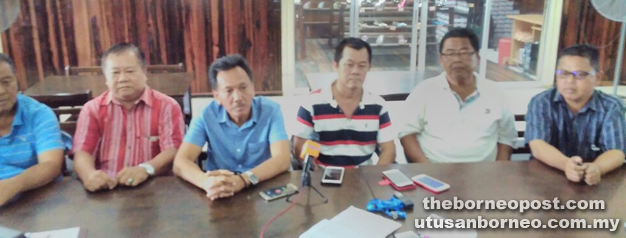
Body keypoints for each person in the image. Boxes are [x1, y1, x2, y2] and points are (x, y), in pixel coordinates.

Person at [173, 54, 290, 200]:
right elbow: (180, 162)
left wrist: (243, 180)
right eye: (229, 91)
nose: (238, 97)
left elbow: (283, 158)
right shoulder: (206, 115)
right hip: (220, 192)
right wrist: (205, 182)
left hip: (261, 188)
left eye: (243, 87)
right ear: (216, 96)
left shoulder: (270, 111)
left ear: (253, 88)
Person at [73, 43, 185, 192]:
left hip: (155, 187)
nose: (122, 79)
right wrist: (89, 175)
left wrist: (145, 169)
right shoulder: (92, 109)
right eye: (115, 73)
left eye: (130, 71)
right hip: (108, 189)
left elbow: (173, 150)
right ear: (106, 77)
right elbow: (83, 151)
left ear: (144, 72)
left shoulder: (167, 106)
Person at [398, 28, 517, 163]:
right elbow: (406, 133)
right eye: (450, 53)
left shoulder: (494, 92)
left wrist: (498, 170)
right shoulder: (424, 90)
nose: (457, 59)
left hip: (484, 174)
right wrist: (426, 168)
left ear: (477, 57)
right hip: (435, 171)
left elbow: (507, 137)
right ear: (441, 59)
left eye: (464, 53)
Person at [0, 50, 64, 211]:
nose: (0, 91)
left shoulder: (38, 113)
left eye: (7, 81)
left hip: (35, 198)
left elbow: (51, 165)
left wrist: (12, 185)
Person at [526, 44, 625, 185]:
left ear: (597, 78)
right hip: (546, 179)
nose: (569, 81)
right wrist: (567, 165)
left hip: (592, 181)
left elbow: (616, 151)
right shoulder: (542, 102)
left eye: (580, 75)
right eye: (563, 74)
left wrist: (597, 168)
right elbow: (538, 145)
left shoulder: (611, 106)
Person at [293, 37, 397, 167]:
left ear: (369, 67)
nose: (355, 71)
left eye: (362, 66)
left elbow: (389, 149)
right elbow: (299, 146)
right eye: (349, 65)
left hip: (365, 178)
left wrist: (374, 177)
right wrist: (317, 177)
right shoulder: (312, 103)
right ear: (336, 66)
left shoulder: (378, 105)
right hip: (323, 176)